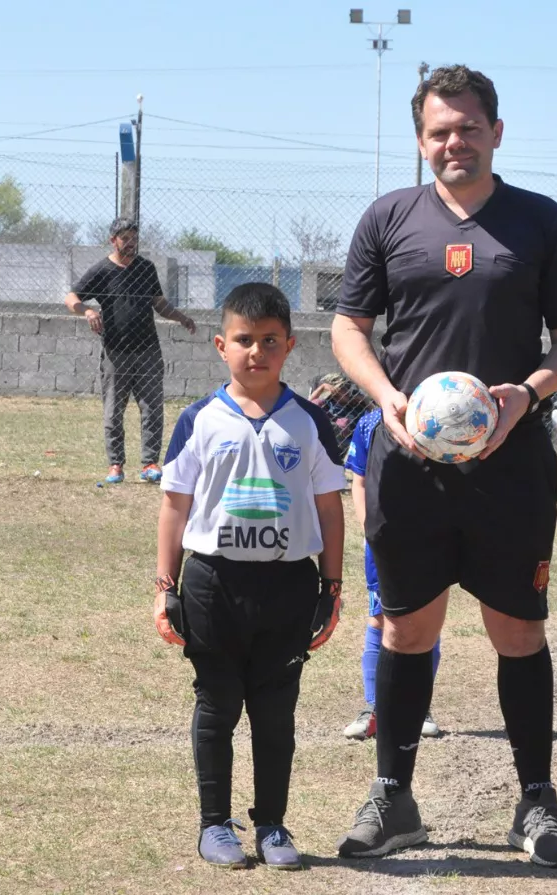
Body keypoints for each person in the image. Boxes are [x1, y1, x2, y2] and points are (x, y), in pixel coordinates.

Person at [331, 64, 557, 867]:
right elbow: (351, 329)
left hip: (510, 464)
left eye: (468, 127)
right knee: (407, 626)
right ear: (422, 141)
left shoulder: (540, 221)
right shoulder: (388, 218)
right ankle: (394, 794)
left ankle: (536, 800)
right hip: (409, 463)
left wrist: (528, 394)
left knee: (518, 628)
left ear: (496, 132)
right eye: (439, 131)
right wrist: (387, 400)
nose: (455, 142)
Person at [152, 283, 345, 870]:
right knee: (216, 705)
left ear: (289, 345)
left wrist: (331, 587)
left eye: (269, 341)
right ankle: (214, 825)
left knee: (275, 712)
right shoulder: (199, 420)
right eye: (243, 340)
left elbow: (331, 508)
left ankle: (272, 826)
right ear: (220, 345)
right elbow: (175, 506)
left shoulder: (310, 421)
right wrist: (166, 588)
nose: (255, 351)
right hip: (214, 585)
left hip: (288, 587)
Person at [65, 217, 197, 485]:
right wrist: (87, 310)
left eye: (134, 238)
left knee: (152, 409)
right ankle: (116, 465)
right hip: (116, 353)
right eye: (125, 238)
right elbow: (71, 297)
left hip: (148, 351)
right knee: (114, 411)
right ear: (113, 240)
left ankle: (150, 463)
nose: (130, 243)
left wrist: (181, 318)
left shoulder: (146, 269)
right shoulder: (101, 271)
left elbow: (159, 303)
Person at [341, 406, 442, 741]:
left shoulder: (442, 413)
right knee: (379, 618)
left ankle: (419, 707)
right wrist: (371, 529)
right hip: (385, 538)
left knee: (425, 619)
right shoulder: (370, 421)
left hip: (433, 536)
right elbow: (359, 481)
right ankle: (374, 707)